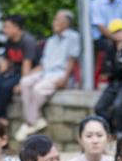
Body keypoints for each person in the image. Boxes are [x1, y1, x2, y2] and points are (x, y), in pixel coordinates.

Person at [15, 11, 81, 141]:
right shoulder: (51, 40)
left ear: (65, 23)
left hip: (60, 75)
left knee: (38, 89)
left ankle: (29, 122)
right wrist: (29, 74)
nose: (53, 23)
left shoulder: (73, 37)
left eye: (57, 20)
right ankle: (35, 120)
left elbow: (72, 60)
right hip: (46, 73)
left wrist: (65, 78)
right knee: (25, 82)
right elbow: (44, 64)